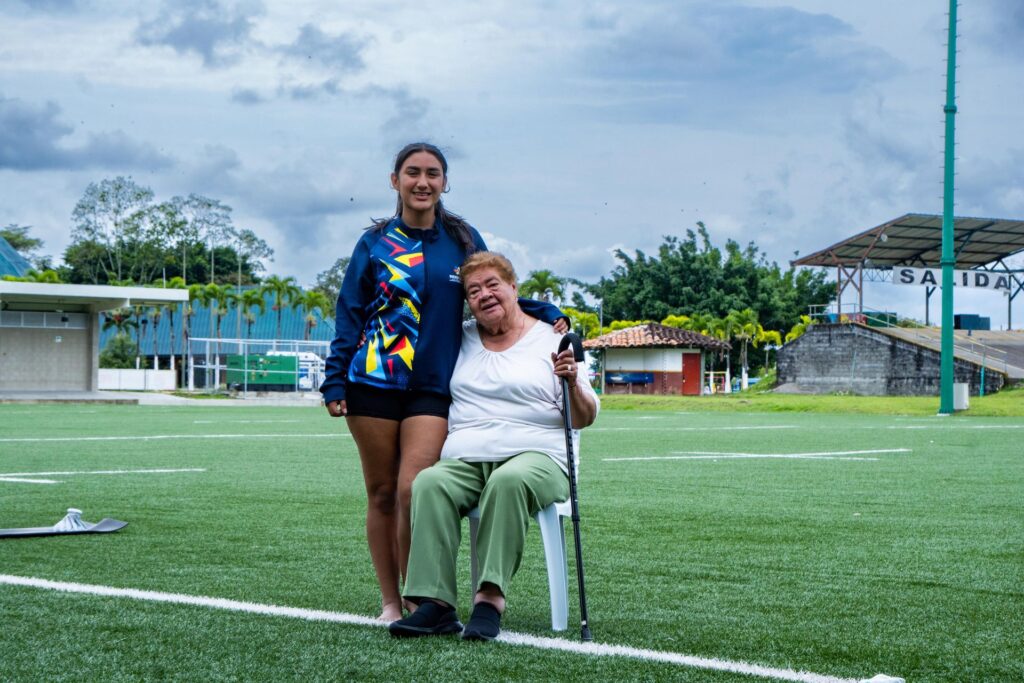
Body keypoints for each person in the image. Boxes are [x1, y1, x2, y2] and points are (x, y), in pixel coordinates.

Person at [320, 144, 567, 622]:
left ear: (444, 183)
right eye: (412, 173)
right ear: (395, 181)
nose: (422, 182)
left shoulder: (461, 237)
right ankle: (392, 601)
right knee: (381, 493)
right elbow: (349, 313)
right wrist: (335, 382)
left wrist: (545, 311)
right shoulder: (374, 243)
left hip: (434, 386)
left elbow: (492, 286)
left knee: (414, 488)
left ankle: (423, 599)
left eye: (433, 174)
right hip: (372, 382)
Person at [388, 251, 599, 641]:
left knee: (508, 480)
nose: (484, 295)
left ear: (514, 287)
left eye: (492, 285)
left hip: (539, 458)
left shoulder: (554, 337)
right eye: (473, 291)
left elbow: (584, 416)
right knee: (429, 483)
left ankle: (489, 600)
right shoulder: (462, 338)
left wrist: (571, 382)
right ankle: (435, 605)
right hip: (468, 456)